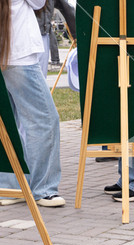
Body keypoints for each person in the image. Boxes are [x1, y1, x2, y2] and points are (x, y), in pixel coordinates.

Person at [0, 0, 65, 207]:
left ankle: (10, 186)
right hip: (19, 54)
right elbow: (38, 3)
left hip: (7, 50)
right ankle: (44, 189)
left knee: (9, 121)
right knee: (44, 120)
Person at [35, 0, 76, 78]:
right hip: (31, 35)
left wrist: (75, 33)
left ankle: (55, 60)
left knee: (40, 77)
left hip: (42, 34)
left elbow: (66, 7)